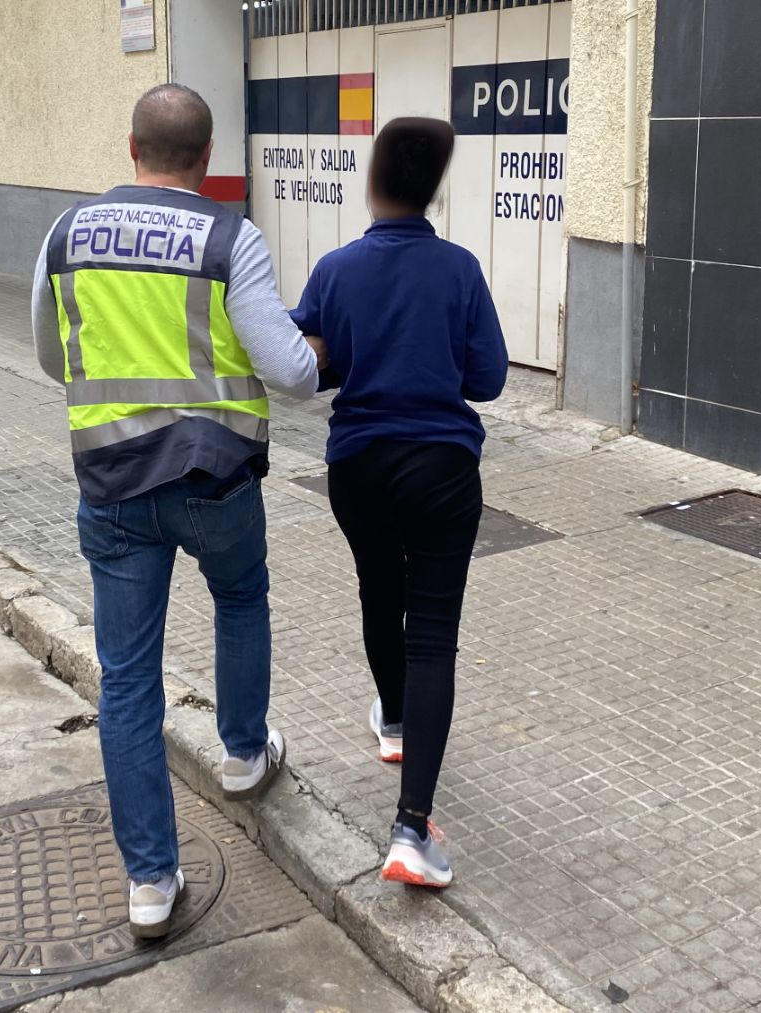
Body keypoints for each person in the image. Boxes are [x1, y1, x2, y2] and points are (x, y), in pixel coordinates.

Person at [30, 83, 319, 938]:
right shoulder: (233, 238)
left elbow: (54, 359)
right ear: (207, 157)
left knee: (126, 680)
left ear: (131, 149)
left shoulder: (67, 234)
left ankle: (151, 884)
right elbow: (293, 374)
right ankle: (241, 754)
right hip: (215, 481)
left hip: (113, 487)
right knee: (239, 595)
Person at [290, 117, 507, 890]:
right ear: (433, 189)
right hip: (444, 469)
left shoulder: (336, 269)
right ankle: (412, 828)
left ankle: (391, 719)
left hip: (358, 468)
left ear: (373, 181)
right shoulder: (460, 269)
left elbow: (305, 364)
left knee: (379, 594)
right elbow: (487, 380)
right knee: (434, 634)